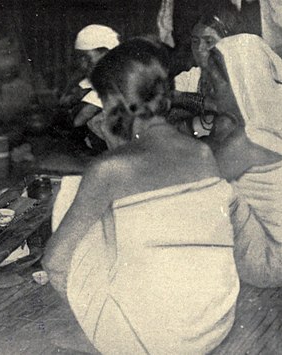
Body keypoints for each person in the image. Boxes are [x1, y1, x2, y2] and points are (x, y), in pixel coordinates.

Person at [43, 38, 239, 354]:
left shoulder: (110, 169)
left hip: (154, 340)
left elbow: (54, 262)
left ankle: (106, 331)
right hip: (214, 324)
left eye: (104, 101)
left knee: (70, 195)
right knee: (127, 217)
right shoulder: (202, 152)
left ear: (116, 103)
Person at [202, 33, 282, 288]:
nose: (208, 85)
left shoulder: (245, 141)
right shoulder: (269, 120)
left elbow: (192, 179)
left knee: (209, 193)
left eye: (216, 81)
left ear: (239, 81)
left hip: (270, 260)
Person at [171, 2, 243, 136]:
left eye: (208, 41)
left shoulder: (245, 79)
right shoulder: (189, 78)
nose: (199, 49)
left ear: (229, 42)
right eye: (195, 41)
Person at [59, 24, 120, 150]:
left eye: (87, 58)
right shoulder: (92, 77)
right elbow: (67, 99)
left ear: (107, 56)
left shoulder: (114, 80)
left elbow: (81, 118)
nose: (82, 64)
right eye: (79, 58)